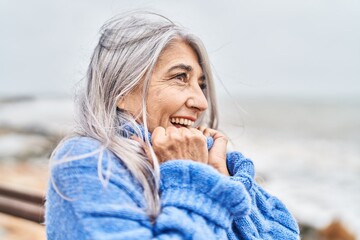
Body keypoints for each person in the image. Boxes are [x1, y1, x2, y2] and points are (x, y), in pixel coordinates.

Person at [45, 11, 300, 239]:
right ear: (120, 89)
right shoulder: (86, 161)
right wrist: (190, 175)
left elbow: (285, 233)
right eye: (180, 77)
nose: (202, 102)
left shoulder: (211, 159)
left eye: (201, 84)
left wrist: (219, 177)